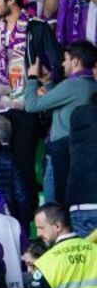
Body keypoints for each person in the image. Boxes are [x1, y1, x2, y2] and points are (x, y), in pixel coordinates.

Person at [0, 0, 63, 200]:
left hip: (27, 108)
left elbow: (58, 64)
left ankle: (26, 224)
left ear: (12, 0)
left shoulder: (37, 28)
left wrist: (46, 82)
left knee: (23, 166)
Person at [23, 42, 97, 205]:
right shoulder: (91, 85)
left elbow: (31, 105)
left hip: (60, 153)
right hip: (77, 153)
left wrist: (32, 78)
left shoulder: (72, 85)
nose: (63, 64)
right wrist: (48, 82)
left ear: (75, 62)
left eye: (65, 59)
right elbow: (62, 102)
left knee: (54, 205)